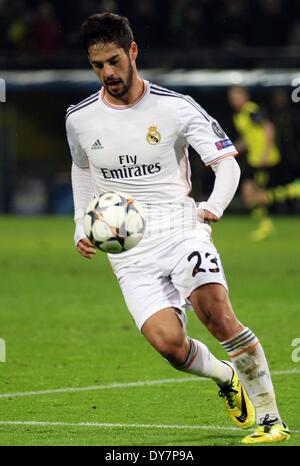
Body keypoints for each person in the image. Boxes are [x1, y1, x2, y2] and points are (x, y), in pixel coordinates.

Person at [66, 12, 289, 444]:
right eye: (97, 66)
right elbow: (80, 168)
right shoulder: (80, 118)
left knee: (216, 314)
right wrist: (81, 223)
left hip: (180, 228)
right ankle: (226, 377)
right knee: (170, 345)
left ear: (132, 51)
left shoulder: (176, 107)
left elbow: (226, 162)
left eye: (114, 61)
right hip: (127, 250)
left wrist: (213, 207)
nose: (108, 73)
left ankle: (270, 418)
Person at [228, 86, 281, 241]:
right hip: (254, 160)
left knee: (256, 194)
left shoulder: (251, 110)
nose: (234, 100)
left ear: (245, 96)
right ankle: (265, 226)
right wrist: (230, 151)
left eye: (237, 96)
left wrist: (266, 151)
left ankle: (292, 192)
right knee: (249, 194)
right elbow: (247, 138)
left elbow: (269, 127)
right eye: (232, 98)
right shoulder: (239, 117)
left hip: (264, 160)